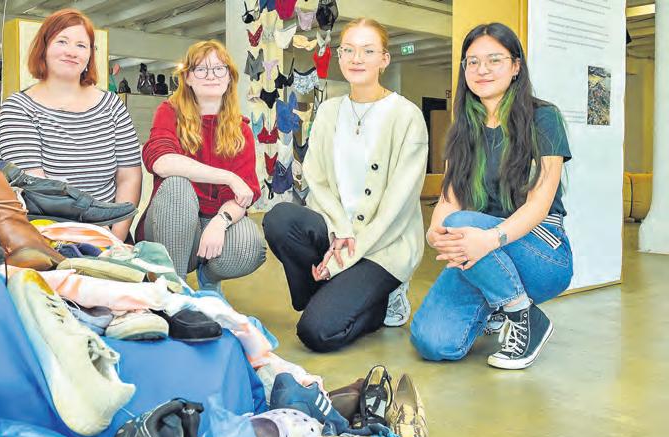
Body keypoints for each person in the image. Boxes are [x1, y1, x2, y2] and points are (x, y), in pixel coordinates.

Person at [410, 23, 573, 370]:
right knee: (431, 342)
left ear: (515, 67)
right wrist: (436, 232)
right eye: (473, 62)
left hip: (541, 250)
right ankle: (497, 304)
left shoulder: (544, 118)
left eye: (494, 60)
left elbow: (540, 203)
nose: (482, 69)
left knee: (461, 222)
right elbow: (449, 198)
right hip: (482, 251)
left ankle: (523, 314)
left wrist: (490, 238)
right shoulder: (463, 128)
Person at [262, 18, 428, 353]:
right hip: (338, 233)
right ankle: (329, 295)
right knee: (280, 218)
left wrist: (344, 257)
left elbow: (397, 207)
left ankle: (384, 299)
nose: (356, 58)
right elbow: (317, 178)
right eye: (348, 50)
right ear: (339, 56)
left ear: (384, 59)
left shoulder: (406, 116)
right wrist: (340, 230)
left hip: (384, 244)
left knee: (316, 333)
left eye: (368, 51)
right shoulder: (329, 111)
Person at [0, 9, 142, 241]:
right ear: (43, 48)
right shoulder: (19, 108)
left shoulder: (112, 105)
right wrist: (89, 240)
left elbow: (129, 177)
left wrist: (116, 238)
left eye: (81, 45)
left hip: (111, 234)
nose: (71, 52)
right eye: (62, 41)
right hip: (47, 236)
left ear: (90, 55)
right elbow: (40, 193)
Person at [138, 40, 266, 294]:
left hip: (213, 219)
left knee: (248, 246)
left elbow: (243, 196)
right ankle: (174, 290)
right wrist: (228, 177)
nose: (211, 76)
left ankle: (208, 278)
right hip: (169, 220)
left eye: (219, 69)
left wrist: (221, 220)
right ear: (187, 78)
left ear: (229, 77)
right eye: (201, 69)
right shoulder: (169, 112)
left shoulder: (241, 129)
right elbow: (161, 161)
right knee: (177, 185)